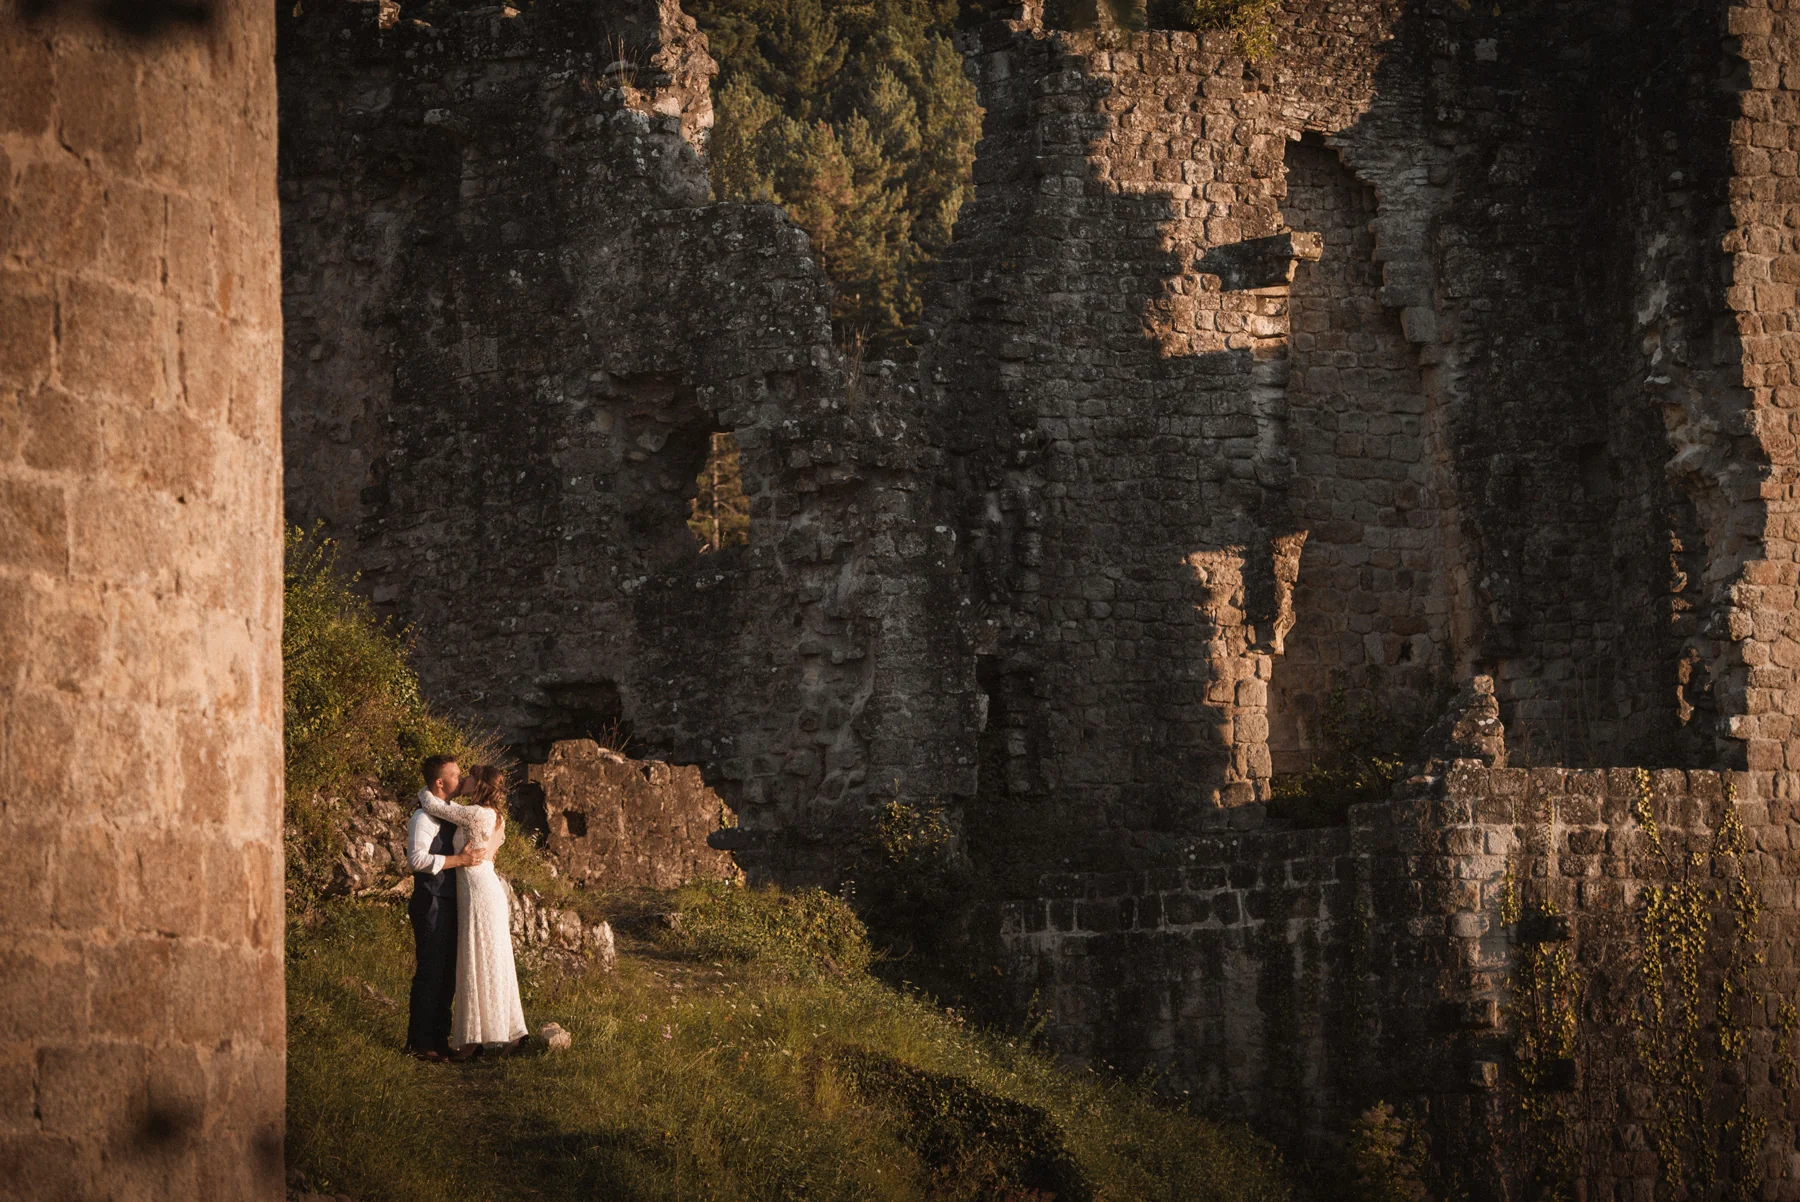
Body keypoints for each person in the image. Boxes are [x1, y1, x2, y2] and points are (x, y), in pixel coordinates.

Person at [420, 764, 530, 1055]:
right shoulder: (494, 815)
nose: (464, 780)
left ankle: (473, 1041)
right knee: (490, 959)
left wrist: (424, 785)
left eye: (469, 777)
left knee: (477, 958)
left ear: (479, 784)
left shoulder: (477, 813)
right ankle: (506, 1035)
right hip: (484, 887)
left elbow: (432, 804)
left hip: (479, 890)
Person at [404, 754, 492, 1063]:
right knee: (430, 971)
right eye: (455, 775)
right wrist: (460, 860)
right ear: (440, 782)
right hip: (431, 901)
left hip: (450, 901)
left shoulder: (450, 813)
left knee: (447, 974)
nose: (461, 779)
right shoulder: (422, 818)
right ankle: (419, 1043)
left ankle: (439, 1040)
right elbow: (416, 860)